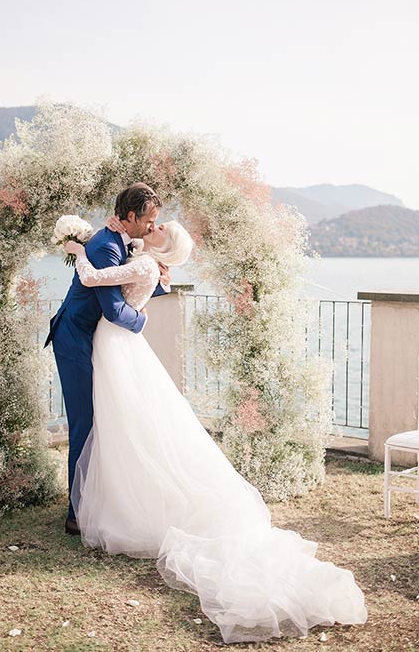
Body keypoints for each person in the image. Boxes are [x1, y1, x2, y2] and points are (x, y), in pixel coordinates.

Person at [64, 221, 368, 644]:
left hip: (117, 343)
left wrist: (76, 249)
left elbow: (100, 286)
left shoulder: (146, 263)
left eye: (160, 227)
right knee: (127, 425)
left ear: (164, 245)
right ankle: (116, 496)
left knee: (127, 424)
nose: (155, 226)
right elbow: (126, 281)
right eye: (153, 221)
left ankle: (118, 505)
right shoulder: (142, 259)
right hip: (114, 346)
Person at [44, 183, 170, 535]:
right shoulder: (103, 246)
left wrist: (157, 284)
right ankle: (76, 513)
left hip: (91, 338)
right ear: (130, 216)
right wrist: (142, 320)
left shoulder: (119, 241)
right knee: (85, 423)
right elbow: (114, 309)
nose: (150, 227)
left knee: (103, 419)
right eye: (149, 220)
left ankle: (96, 499)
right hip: (74, 339)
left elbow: (129, 280)